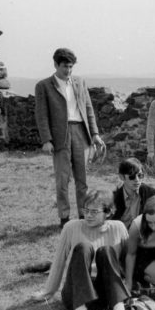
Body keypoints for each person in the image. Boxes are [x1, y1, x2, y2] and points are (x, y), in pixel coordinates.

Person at [31, 189, 130, 310]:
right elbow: (59, 261)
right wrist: (48, 292)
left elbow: (127, 261)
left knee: (106, 251)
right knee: (83, 247)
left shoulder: (118, 228)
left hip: (105, 295)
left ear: (108, 212)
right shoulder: (71, 227)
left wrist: (131, 289)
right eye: (86, 210)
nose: (88, 215)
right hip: (76, 294)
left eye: (94, 212)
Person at [34, 48, 105, 227]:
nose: (68, 71)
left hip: (81, 132)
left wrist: (95, 134)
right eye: (65, 67)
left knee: (83, 179)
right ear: (56, 65)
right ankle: (64, 218)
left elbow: (88, 108)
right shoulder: (44, 86)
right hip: (60, 136)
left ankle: (83, 215)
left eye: (71, 67)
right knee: (63, 179)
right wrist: (46, 140)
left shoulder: (80, 82)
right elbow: (41, 115)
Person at [111, 158, 155, 228]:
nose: (137, 180)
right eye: (132, 177)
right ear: (121, 177)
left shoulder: (153, 194)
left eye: (140, 175)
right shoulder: (114, 198)